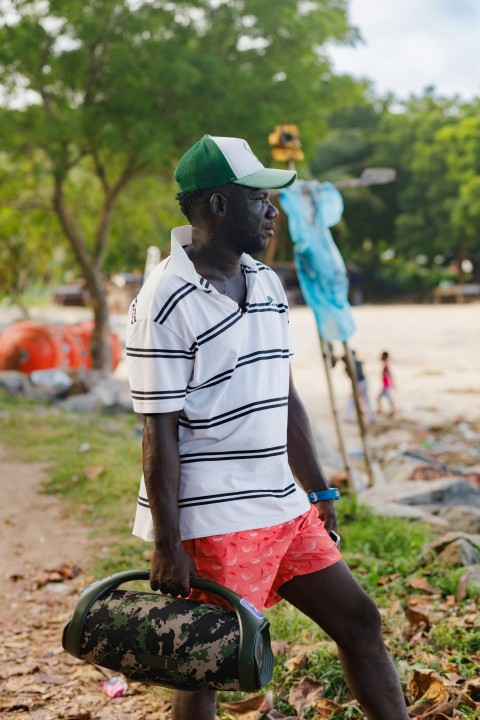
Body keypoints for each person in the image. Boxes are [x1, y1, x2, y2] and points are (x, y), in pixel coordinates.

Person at [126, 135, 409, 720]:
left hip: (280, 505)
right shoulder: (163, 300)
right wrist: (166, 542)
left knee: (360, 623)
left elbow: (283, 393)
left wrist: (319, 488)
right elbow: (158, 435)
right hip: (213, 520)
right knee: (208, 664)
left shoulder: (266, 283)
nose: (272, 210)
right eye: (259, 198)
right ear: (218, 206)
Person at [344, 350, 376, 423]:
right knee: (366, 401)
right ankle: (372, 417)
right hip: (363, 382)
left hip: (359, 384)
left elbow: (354, 376)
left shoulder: (352, 365)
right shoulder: (357, 363)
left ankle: (350, 418)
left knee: (351, 401)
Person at [377, 351, 396, 416]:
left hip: (386, 385)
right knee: (380, 398)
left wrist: (392, 383)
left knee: (387, 398)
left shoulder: (386, 365)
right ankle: (384, 409)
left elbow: (390, 374)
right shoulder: (385, 364)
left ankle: (393, 410)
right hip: (385, 384)